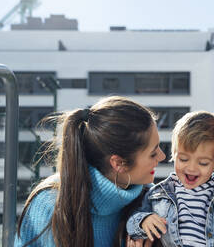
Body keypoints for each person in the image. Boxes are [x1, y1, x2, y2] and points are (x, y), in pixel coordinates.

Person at [15, 96, 166, 247]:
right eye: (153, 153)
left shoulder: (153, 201)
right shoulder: (48, 203)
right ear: (118, 163)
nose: (162, 156)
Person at [126, 111, 214, 247]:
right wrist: (143, 221)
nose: (191, 168)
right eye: (183, 159)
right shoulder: (158, 194)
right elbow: (132, 224)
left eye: (203, 163)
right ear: (174, 154)